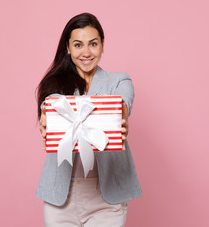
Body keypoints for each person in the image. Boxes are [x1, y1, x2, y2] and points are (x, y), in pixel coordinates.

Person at [36, 13, 142, 227]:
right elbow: (50, 102)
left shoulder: (119, 80)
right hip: (61, 197)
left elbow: (123, 103)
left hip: (106, 198)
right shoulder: (55, 84)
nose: (86, 52)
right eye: (78, 45)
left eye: (93, 44)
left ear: (102, 45)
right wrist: (46, 112)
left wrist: (120, 116)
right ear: (67, 48)